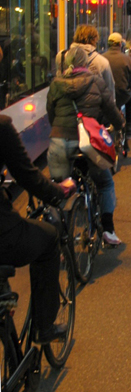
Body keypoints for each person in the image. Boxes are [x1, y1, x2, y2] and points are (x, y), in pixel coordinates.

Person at [0, 114, 76, 343]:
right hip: (4, 235)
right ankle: (45, 327)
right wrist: (57, 192)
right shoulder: (2, 126)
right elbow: (26, 175)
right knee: (49, 238)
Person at [47, 46, 124, 246]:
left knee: (58, 188)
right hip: (89, 142)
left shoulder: (55, 84)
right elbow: (111, 109)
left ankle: (58, 238)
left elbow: (51, 114)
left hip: (60, 140)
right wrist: (120, 125)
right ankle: (108, 230)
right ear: (84, 62)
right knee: (105, 183)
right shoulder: (96, 81)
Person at [103, 33, 131, 139]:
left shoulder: (102, 58)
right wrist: (128, 88)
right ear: (120, 44)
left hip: (106, 94)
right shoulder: (127, 59)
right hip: (122, 93)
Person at [69, 24, 116, 97]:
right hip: (94, 106)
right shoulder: (102, 62)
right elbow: (109, 90)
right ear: (94, 39)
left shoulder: (62, 57)